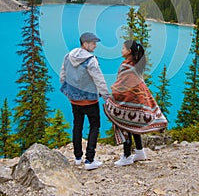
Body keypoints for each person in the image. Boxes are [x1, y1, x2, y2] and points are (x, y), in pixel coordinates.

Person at [104, 39, 168, 166]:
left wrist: (112, 94)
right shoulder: (136, 65)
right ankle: (139, 152)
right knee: (134, 124)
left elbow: (120, 86)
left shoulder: (126, 66)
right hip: (138, 101)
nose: (121, 50)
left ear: (129, 51)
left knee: (124, 124)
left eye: (123, 48)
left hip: (128, 101)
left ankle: (127, 156)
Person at [60, 32, 109, 170]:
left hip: (74, 100)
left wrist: (70, 93)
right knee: (94, 126)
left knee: (77, 126)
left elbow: (62, 76)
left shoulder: (68, 56)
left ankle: (77, 158)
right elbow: (99, 79)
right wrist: (106, 96)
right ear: (85, 43)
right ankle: (89, 160)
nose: (95, 45)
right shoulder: (90, 60)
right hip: (90, 101)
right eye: (93, 43)